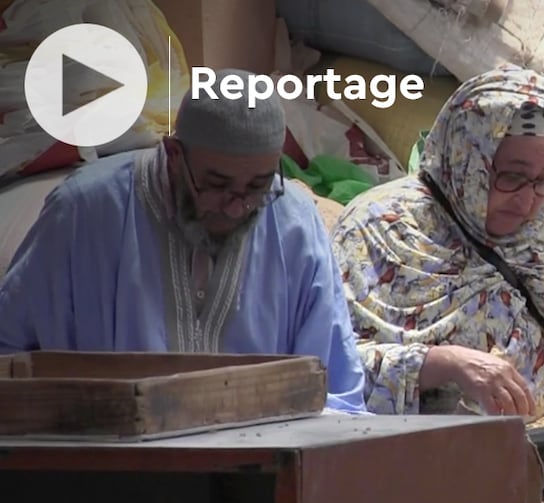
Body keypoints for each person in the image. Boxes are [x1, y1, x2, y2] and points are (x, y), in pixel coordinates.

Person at [331, 64, 544, 495]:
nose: (527, 200)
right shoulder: (379, 231)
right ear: (468, 157)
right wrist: (442, 363)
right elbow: (324, 373)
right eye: (511, 176)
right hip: (450, 491)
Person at [0, 68, 366, 413]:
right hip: (106, 463)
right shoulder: (84, 213)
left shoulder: (297, 224)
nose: (238, 207)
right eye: (218, 184)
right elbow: (9, 354)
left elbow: (338, 394)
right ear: (173, 155)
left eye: (258, 186)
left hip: (261, 468)